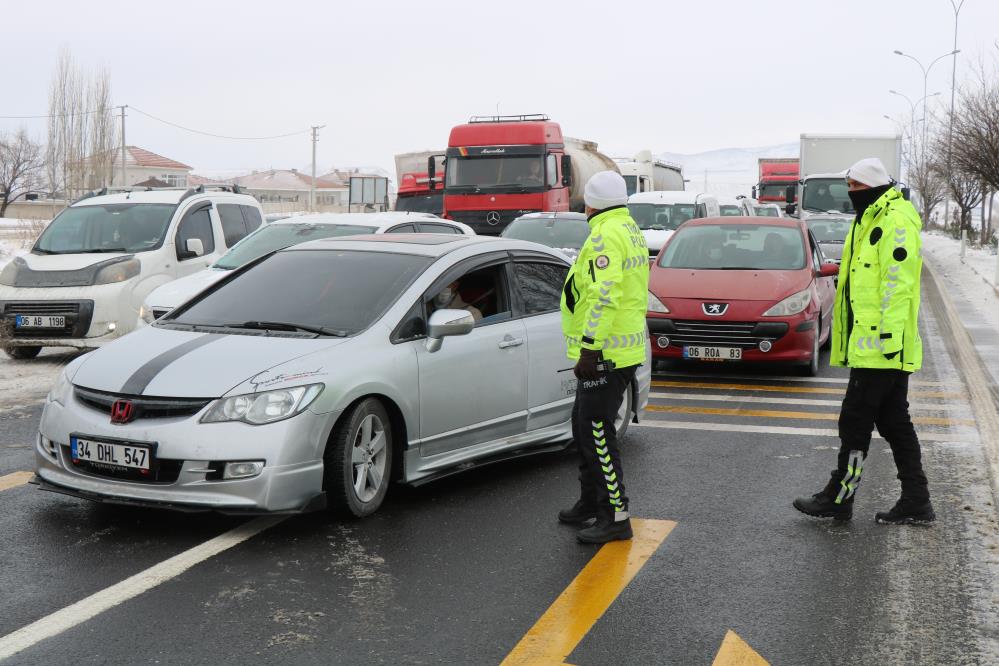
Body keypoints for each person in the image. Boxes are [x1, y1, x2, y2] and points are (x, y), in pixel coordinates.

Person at [793, 157, 932, 525]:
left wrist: (886, 340)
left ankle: (840, 496)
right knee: (893, 423)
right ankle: (917, 500)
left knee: (855, 421)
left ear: (871, 185)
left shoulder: (894, 222)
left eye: (854, 187)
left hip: (881, 349)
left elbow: (897, 287)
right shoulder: (870, 217)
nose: (850, 194)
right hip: (871, 346)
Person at [558, 170, 650, 543]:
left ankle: (615, 515)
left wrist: (590, 347)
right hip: (619, 350)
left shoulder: (604, 235)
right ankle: (591, 502)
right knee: (583, 425)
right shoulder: (627, 228)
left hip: (606, 353)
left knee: (596, 433)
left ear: (591, 204)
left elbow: (603, 295)